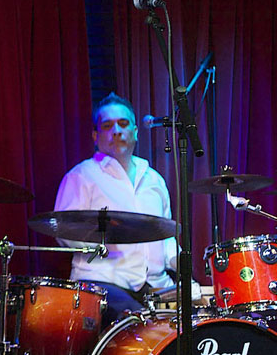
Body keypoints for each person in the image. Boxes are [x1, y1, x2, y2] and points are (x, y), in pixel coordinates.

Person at [53, 92, 185, 323]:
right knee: (143, 325)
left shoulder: (154, 180)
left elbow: (166, 240)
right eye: (108, 125)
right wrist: (103, 236)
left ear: (135, 132)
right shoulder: (81, 176)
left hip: (157, 287)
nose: (117, 130)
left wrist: (188, 279)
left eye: (123, 124)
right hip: (103, 284)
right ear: (96, 135)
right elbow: (65, 232)